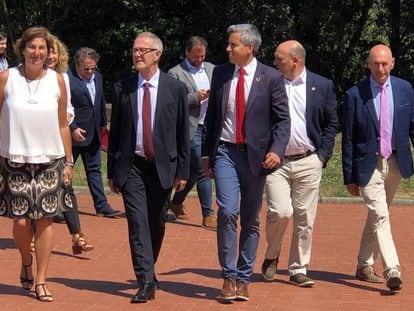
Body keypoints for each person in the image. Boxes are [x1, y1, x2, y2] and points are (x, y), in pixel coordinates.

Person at [202, 24, 290, 302]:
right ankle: (228, 275)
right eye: (228, 44)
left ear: (249, 48)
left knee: (250, 218)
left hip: (256, 157)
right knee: (227, 211)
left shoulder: (272, 77)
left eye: (233, 45)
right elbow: (213, 116)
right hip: (226, 152)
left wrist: (277, 149)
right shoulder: (221, 73)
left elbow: (282, 120)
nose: (228, 49)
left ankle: (243, 277)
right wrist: (207, 154)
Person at [108, 32, 189, 303]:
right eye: (134, 50)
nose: (137, 54)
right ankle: (145, 280)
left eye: (143, 50)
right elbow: (116, 133)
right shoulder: (123, 87)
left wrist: (183, 172)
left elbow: (182, 134)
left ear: (157, 54)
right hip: (132, 167)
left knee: (156, 222)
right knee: (137, 222)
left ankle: (149, 269)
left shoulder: (175, 89)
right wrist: (112, 172)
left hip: (163, 168)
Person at [0, 26, 73, 302]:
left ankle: (41, 279)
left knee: (44, 221)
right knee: (20, 222)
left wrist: (68, 161)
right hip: (14, 160)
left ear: (48, 52)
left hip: (49, 160)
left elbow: (62, 124)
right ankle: (25, 259)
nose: (37, 52)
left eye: (42, 48)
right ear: (23, 49)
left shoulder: (57, 80)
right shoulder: (7, 78)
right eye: (32, 47)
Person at [261, 40, 338, 287]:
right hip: (277, 162)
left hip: (309, 160)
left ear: (295, 60)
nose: (274, 63)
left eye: (279, 58)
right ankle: (272, 254)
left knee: (305, 218)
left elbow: (331, 123)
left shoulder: (322, 85)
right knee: (280, 212)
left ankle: (298, 267)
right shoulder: (270, 83)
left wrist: (322, 156)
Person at [342, 44, 414, 292]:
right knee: (381, 215)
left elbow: (411, 125)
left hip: (395, 162)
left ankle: (363, 265)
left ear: (392, 63)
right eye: (376, 63)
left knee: (377, 215)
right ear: (368, 64)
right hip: (367, 164)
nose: (380, 68)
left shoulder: (405, 89)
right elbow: (348, 139)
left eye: (385, 63)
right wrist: (349, 177)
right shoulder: (354, 94)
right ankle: (392, 269)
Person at [45, 35, 94, 254]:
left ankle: (77, 236)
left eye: (55, 51)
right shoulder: (23, 77)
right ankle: (35, 237)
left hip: (59, 139)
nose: (51, 56)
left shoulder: (62, 78)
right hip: (35, 143)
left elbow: (69, 108)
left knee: (67, 187)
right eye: (48, 51)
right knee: (42, 190)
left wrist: (68, 118)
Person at [167, 36, 216, 230]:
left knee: (193, 172)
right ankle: (208, 214)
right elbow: (171, 101)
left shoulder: (212, 69)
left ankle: (176, 201)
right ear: (187, 53)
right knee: (203, 169)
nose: (199, 59)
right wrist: (196, 97)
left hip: (211, 127)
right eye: (196, 56)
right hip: (190, 127)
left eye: (202, 56)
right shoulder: (175, 73)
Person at [68, 47, 122, 218]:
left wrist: (103, 123)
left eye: (93, 68)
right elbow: (63, 108)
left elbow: (99, 101)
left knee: (94, 169)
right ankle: (62, 208)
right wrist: (73, 127)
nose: (90, 71)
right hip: (73, 134)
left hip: (94, 132)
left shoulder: (97, 77)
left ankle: (101, 205)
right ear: (77, 64)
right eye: (86, 68)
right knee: (65, 171)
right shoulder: (66, 79)